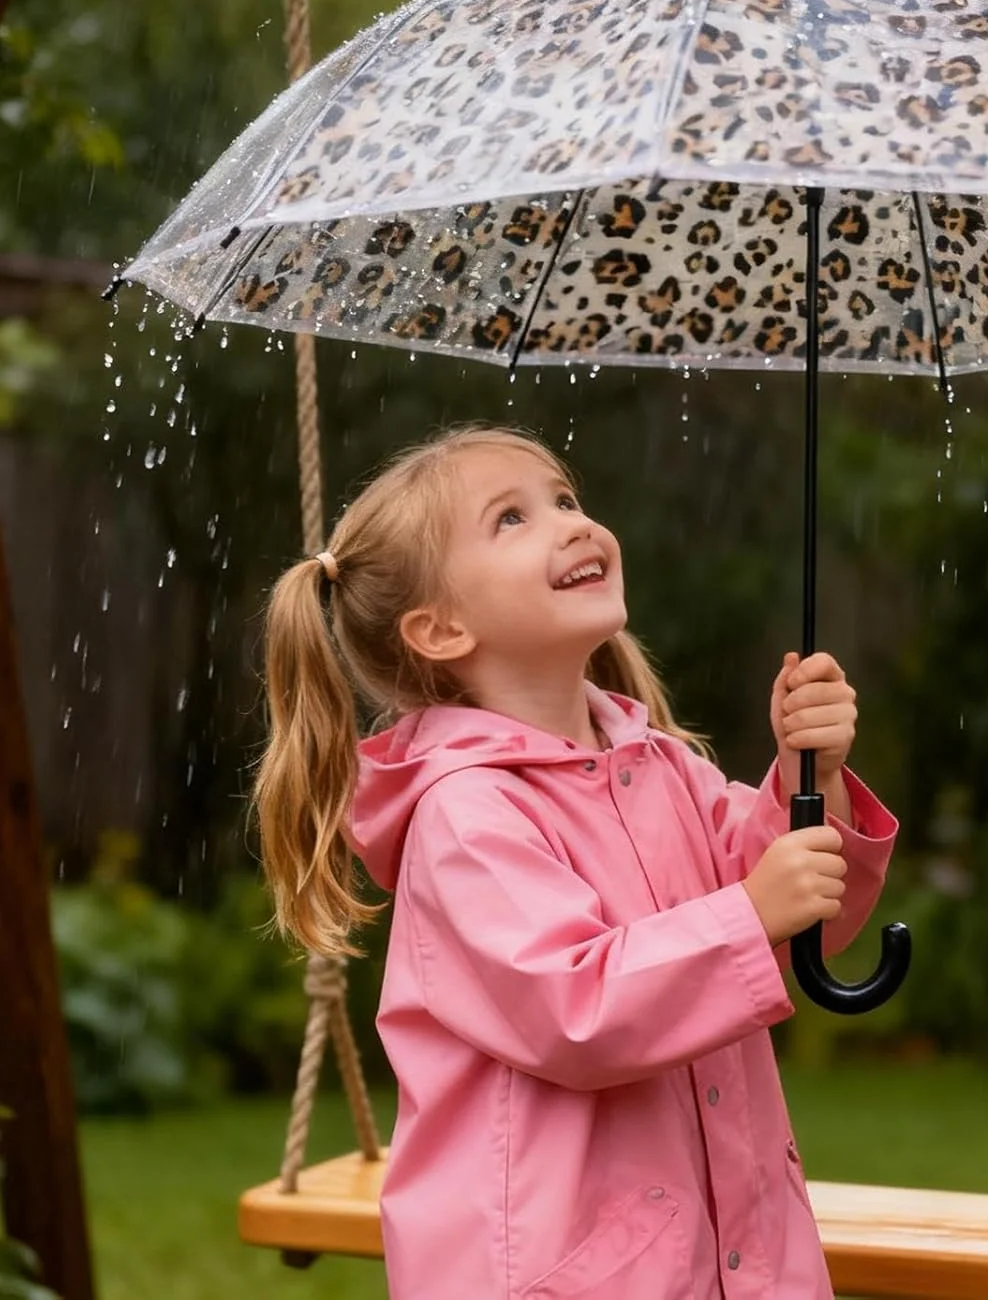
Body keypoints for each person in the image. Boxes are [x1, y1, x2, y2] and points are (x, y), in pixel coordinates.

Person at [251, 424, 898, 1299]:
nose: (572, 524)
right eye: (511, 519)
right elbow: (573, 1006)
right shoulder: (466, 813)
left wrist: (802, 776)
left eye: (565, 499)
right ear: (439, 629)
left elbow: (789, 935)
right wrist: (752, 909)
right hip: (577, 1270)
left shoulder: (661, 766)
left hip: (735, 1252)